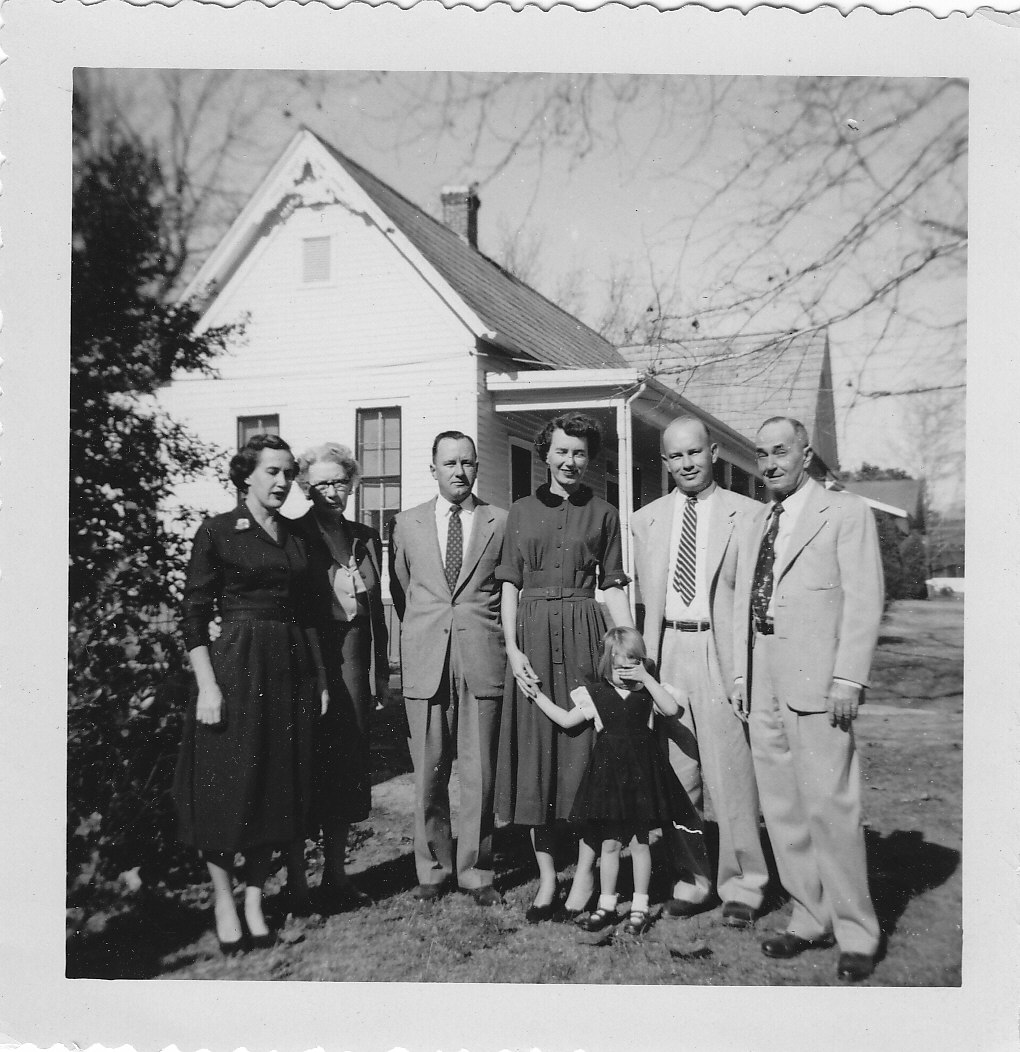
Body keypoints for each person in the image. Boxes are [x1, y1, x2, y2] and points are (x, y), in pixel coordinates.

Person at [733, 416, 884, 983]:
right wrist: (743, 673)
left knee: (830, 806)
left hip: (820, 679)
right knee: (783, 807)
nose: (769, 463)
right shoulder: (758, 519)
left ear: (806, 454)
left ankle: (856, 933)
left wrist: (850, 677)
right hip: (764, 670)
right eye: (761, 454)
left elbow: (865, 599)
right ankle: (808, 916)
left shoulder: (845, 512)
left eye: (780, 452)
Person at [173, 434, 328, 954]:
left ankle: (257, 900)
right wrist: (207, 685)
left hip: (289, 668)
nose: (283, 482)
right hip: (236, 666)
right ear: (246, 477)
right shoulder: (218, 531)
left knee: (276, 785)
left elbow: (307, 613)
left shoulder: (296, 536)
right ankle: (224, 900)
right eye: (272, 473)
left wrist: (321, 678)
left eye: (288, 473)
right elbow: (192, 614)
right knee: (227, 786)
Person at [495, 413, 634, 923]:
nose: (570, 461)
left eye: (579, 452)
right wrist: (512, 648)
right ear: (545, 454)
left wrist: (628, 651)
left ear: (588, 459)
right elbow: (509, 584)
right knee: (538, 759)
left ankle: (588, 875)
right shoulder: (520, 512)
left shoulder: (604, 514)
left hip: (583, 636)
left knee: (584, 760)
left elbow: (614, 585)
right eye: (561, 451)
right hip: (530, 634)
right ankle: (549, 880)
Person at [631, 416, 769, 925]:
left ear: (712, 452)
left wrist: (745, 671)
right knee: (678, 774)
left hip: (719, 650)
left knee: (731, 774)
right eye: (674, 456)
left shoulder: (748, 515)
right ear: (664, 461)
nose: (686, 464)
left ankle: (745, 885)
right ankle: (693, 879)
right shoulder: (645, 520)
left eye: (694, 453)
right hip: (667, 653)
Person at [389, 431, 507, 905]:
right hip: (427, 657)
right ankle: (432, 869)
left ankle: (477, 870)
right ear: (432, 467)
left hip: (480, 656)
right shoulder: (407, 523)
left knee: (479, 773)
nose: (460, 472)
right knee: (429, 770)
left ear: (476, 467)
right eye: (450, 463)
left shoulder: (499, 520)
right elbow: (403, 591)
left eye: (468, 463)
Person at [524, 627, 704, 938]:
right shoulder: (595, 694)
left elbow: (673, 710)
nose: (625, 673)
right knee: (609, 844)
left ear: (642, 663)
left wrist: (646, 677)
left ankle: (639, 907)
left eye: (632, 664)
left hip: (640, 779)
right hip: (608, 780)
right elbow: (567, 720)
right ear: (607, 664)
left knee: (639, 844)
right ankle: (606, 906)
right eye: (619, 666)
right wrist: (537, 696)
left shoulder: (649, 692)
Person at [283, 442, 390, 914]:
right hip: (310, 658)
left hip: (353, 658)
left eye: (339, 482)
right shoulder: (293, 534)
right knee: (304, 765)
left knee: (347, 763)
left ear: (352, 484)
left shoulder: (365, 536)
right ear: (306, 488)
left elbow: (377, 612)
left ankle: (335, 875)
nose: (331, 491)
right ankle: (296, 883)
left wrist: (381, 671)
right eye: (321, 483)